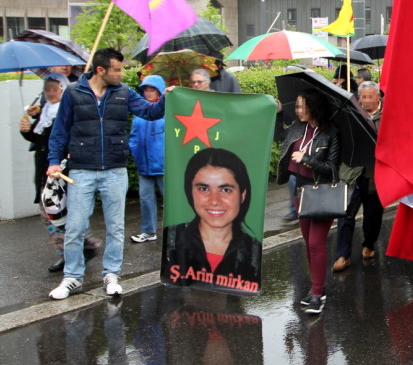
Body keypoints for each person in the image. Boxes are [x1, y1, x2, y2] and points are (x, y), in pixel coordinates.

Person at [46, 48, 166, 300]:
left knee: (116, 228)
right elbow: (60, 131)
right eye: (117, 69)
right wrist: (54, 161)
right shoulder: (73, 93)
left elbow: (151, 112)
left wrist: (166, 97)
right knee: (75, 227)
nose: (121, 74)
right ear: (101, 70)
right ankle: (72, 277)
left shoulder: (124, 92)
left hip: (115, 170)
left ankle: (111, 274)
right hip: (81, 169)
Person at [20, 73, 98, 273]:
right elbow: (39, 140)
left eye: (55, 89)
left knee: (57, 212)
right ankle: (78, 248)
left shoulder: (66, 112)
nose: (50, 93)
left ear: (63, 90)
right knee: (54, 213)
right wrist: (27, 130)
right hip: (45, 170)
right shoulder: (45, 111)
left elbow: (60, 140)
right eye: (47, 89)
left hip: (61, 170)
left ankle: (77, 249)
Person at [277, 88, 341, 314]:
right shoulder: (298, 127)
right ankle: (316, 288)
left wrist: (307, 159)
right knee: (308, 242)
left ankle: (318, 293)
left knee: (315, 243)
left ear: (314, 108)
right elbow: (279, 137)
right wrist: (278, 114)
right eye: (296, 106)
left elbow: (332, 168)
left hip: (322, 192)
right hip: (300, 192)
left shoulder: (330, 133)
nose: (298, 110)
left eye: (302, 106)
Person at [164, 147, 262, 292]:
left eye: (226, 190)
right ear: (190, 192)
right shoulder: (170, 240)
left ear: (242, 195)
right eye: (203, 189)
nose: (214, 201)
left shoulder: (254, 251)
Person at [332, 80, 384, 271]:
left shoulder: (387, 116)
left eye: (370, 97)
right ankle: (343, 255)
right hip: (351, 172)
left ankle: (369, 244)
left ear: (378, 97)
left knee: (373, 215)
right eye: (363, 97)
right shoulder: (351, 113)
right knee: (345, 214)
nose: (366, 101)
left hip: (375, 175)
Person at [129, 74, 166, 243]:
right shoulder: (139, 112)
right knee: (145, 199)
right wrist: (134, 151)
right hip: (143, 165)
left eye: (152, 89)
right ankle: (149, 231)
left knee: (170, 201)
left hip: (163, 165)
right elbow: (133, 135)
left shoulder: (167, 111)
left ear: (159, 91)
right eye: (146, 90)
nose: (148, 93)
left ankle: (177, 231)